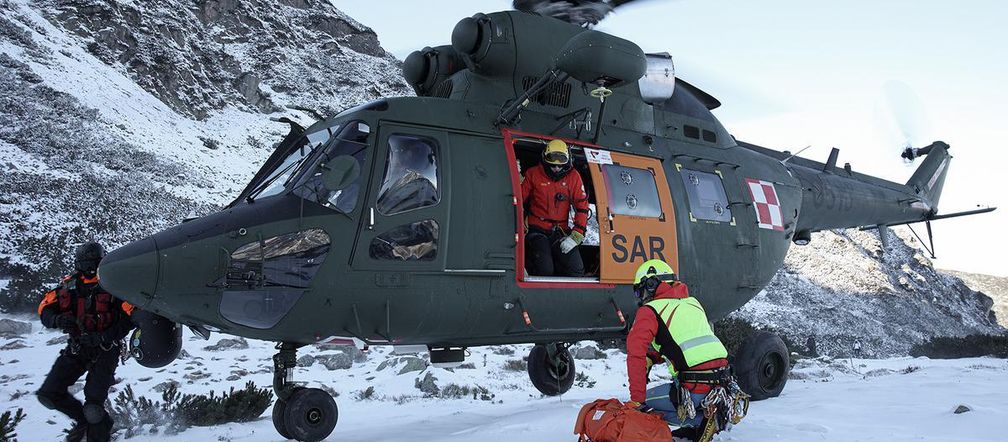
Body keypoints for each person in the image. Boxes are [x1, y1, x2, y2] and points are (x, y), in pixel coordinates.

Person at [625, 259, 743, 442]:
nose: (640, 297)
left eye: (639, 291)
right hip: (723, 385)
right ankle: (712, 417)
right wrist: (654, 357)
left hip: (695, 390)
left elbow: (635, 354)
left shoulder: (650, 310)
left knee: (644, 408)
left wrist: (636, 401)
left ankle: (698, 421)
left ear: (651, 284)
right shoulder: (693, 303)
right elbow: (686, 343)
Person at [36, 241, 136, 442]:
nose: (89, 266)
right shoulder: (69, 285)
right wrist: (56, 319)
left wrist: (104, 336)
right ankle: (86, 422)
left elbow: (130, 319)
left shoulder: (114, 285)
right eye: (85, 262)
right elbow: (44, 309)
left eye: (92, 261)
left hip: (106, 348)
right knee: (48, 393)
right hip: (77, 347)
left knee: (94, 407)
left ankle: (97, 430)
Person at [521, 139, 589, 276]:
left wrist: (576, 236)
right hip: (537, 230)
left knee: (576, 269)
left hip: (560, 232)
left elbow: (582, 207)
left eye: (560, 166)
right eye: (552, 165)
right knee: (545, 269)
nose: (556, 168)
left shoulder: (573, 177)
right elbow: (519, 198)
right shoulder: (533, 174)